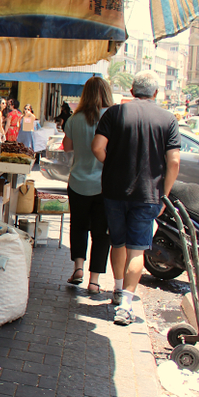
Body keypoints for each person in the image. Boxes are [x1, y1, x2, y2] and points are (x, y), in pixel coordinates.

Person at [92, 71, 181, 325]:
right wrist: (164, 193)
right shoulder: (168, 119)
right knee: (137, 249)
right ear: (156, 93)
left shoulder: (115, 113)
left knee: (116, 242)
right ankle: (126, 307)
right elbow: (173, 161)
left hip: (113, 191)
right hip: (148, 194)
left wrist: (113, 167)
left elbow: (97, 147)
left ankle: (117, 289)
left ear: (131, 91)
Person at [63, 77, 115, 295]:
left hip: (77, 182)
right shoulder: (112, 117)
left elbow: (67, 147)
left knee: (79, 226)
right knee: (101, 233)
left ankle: (78, 268)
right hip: (104, 186)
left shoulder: (75, 119)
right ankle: (94, 281)